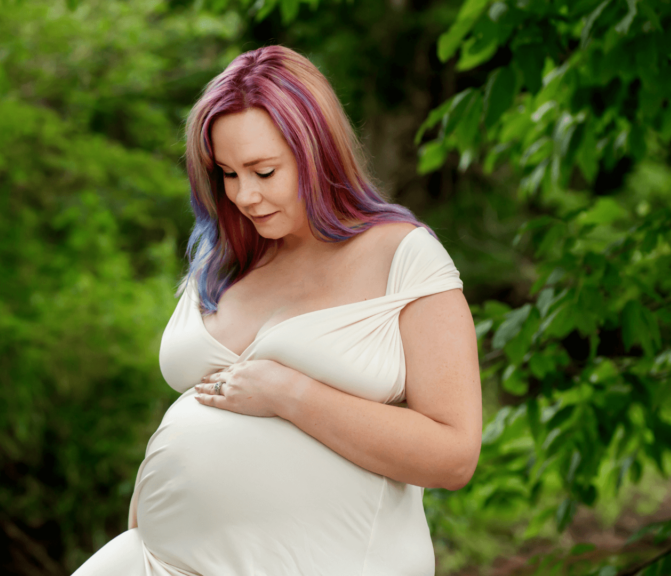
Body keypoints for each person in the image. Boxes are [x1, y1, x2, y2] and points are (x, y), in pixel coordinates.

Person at [73, 45, 482, 576]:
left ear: (319, 154)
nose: (244, 195)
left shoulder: (401, 257)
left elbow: (453, 457)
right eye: (227, 173)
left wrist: (291, 393)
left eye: (264, 171)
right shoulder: (221, 260)